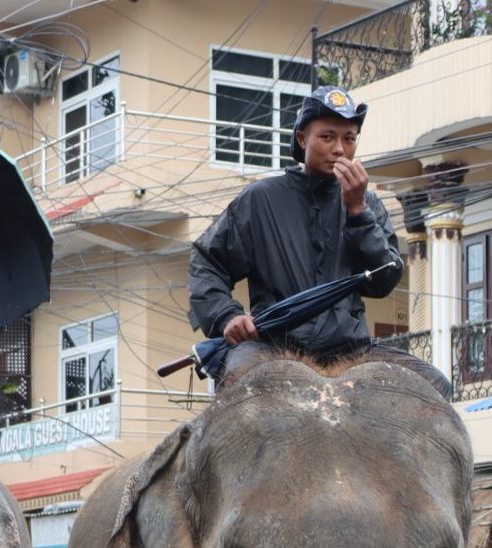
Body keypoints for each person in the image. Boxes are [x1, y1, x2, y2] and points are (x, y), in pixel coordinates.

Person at [189, 86, 450, 397]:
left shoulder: (368, 204)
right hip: (274, 348)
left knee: (435, 385)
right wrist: (226, 315)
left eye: (349, 138)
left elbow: (383, 281)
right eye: (327, 137)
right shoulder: (259, 199)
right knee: (238, 386)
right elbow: (206, 262)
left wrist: (357, 213)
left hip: (353, 350)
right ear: (302, 139)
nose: (339, 148)